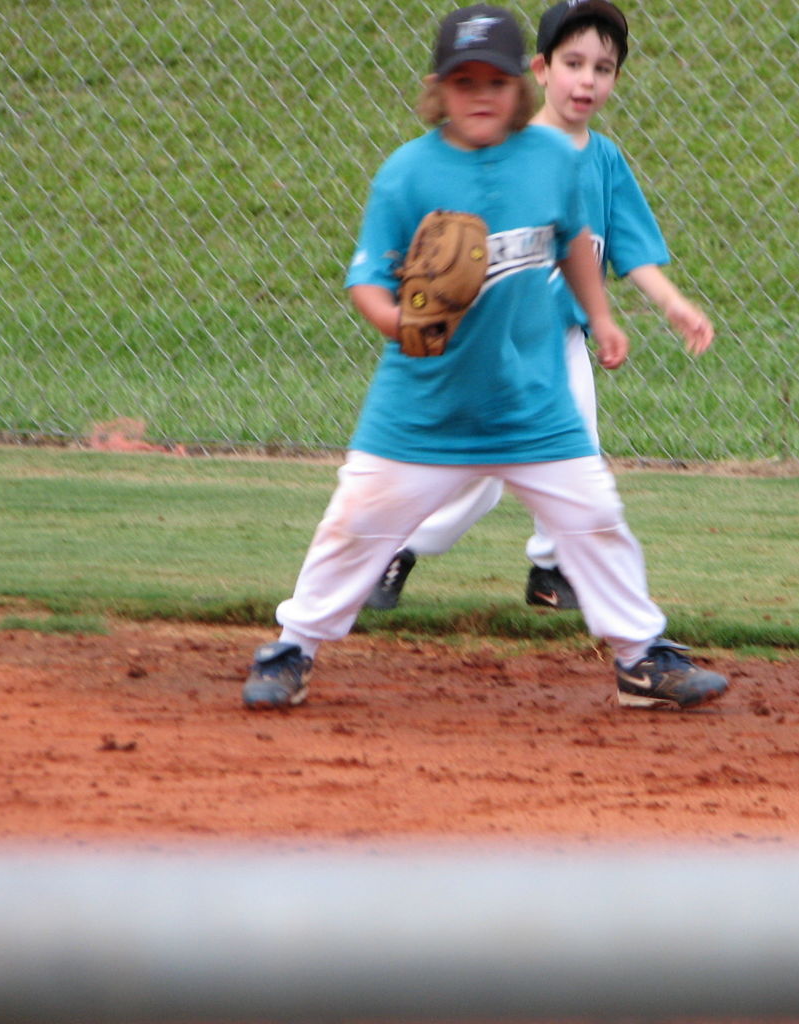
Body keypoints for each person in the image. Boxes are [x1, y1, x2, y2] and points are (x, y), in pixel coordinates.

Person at [242, 4, 728, 713]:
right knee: (354, 527)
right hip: (423, 406)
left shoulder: (550, 160)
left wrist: (599, 315)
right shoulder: (407, 174)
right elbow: (366, 279)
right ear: (438, 89)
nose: (479, 95)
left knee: (595, 519)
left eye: (493, 82)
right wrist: (397, 321)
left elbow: (573, 241)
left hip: (531, 401)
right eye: (462, 81)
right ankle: (292, 647)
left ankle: (640, 658)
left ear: (519, 89)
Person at [364, 0, 713, 614]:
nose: (588, 80)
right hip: (489, 341)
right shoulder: (505, 150)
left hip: (563, 341)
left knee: (578, 452)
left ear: (615, 80)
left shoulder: (602, 161)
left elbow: (629, 252)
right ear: (540, 70)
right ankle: (398, 549)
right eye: (573, 62)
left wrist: (671, 305)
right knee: (476, 477)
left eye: (603, 68)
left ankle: (552, 568)